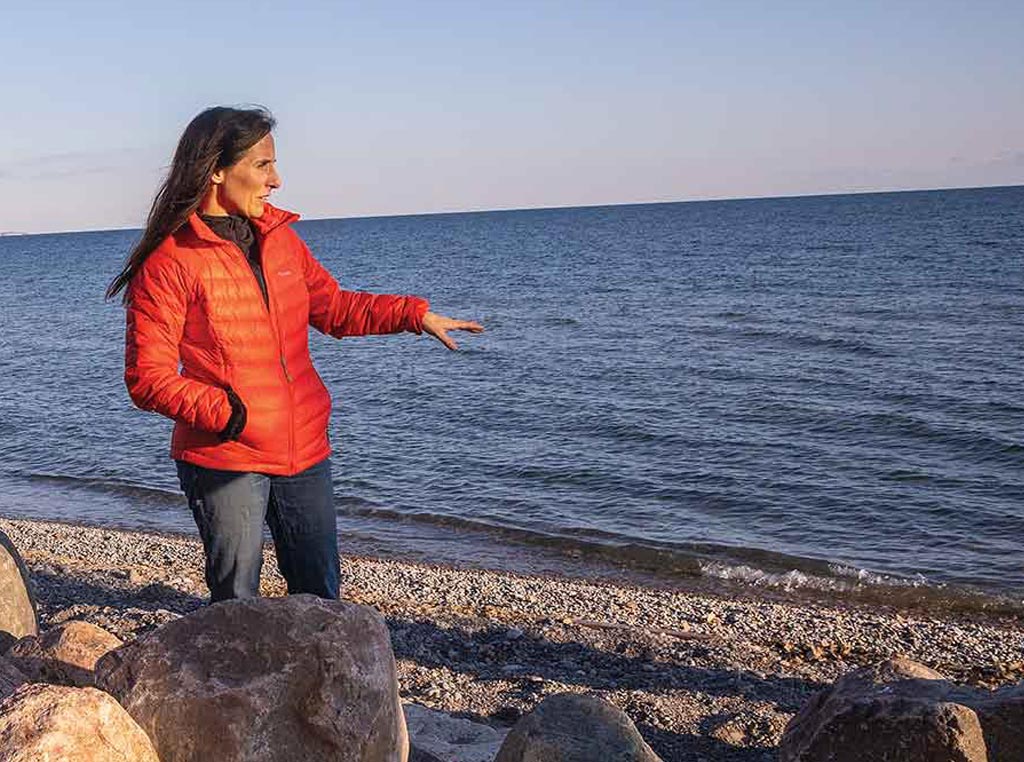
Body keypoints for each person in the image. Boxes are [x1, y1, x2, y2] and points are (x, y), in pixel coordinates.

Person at [106, 106, 482, 603]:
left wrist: (413, 315)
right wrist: (234, 415)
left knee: (321, 596)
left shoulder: (281, 240)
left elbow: (334, 308)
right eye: (263, 165)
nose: (276, 180)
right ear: (217, 170)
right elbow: (148, 378)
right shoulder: (170, 261)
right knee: (238, 603)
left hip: (304, 447)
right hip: (227, 454)